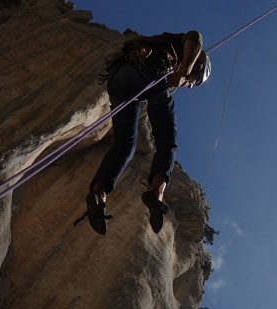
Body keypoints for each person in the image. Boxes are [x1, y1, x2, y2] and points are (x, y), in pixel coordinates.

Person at [86, 30, 211, 235]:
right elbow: (196, 35)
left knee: (125, 144)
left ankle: (98, 194)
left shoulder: (169, 49)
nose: (190, 85)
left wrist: (179, 74)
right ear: (198, 65)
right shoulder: (183, 50)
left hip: (119, 79)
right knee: (167, 141)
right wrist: (183, 70)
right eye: (194, 80)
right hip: (150, 70)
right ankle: (157, 193)